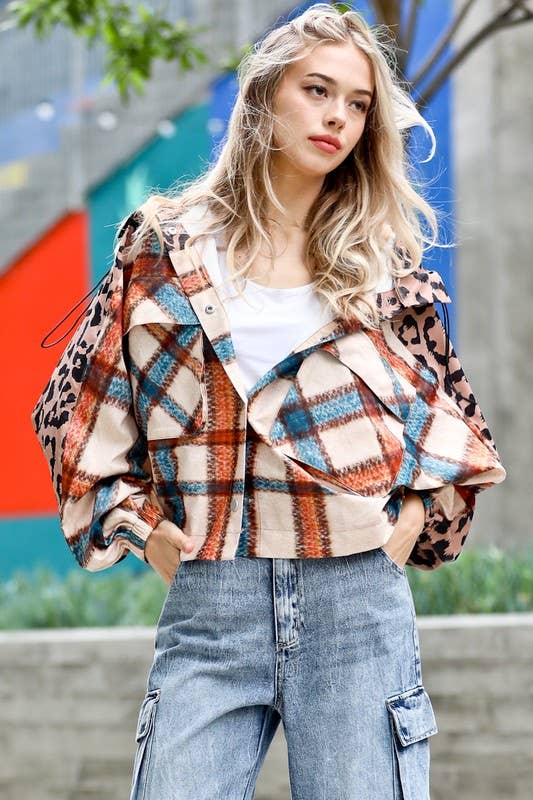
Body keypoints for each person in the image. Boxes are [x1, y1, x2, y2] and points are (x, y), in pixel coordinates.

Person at [31, 4, 506, 798]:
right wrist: (147, 534)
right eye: (316, 90)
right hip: (211, 603)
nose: (337, 117)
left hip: (355, 601)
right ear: (263, 95)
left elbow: (451, 431)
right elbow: (74, 421)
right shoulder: (163, 250)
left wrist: (407, 526)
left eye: (357, 104)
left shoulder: (380, 266)